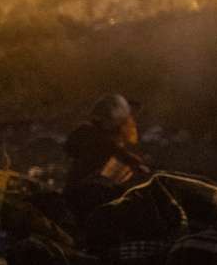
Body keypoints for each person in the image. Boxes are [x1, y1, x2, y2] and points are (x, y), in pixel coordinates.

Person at [62, 93, 152, 226]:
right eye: (127, 119)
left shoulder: (90, 138)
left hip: (77, 205)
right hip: (87, 209)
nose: (131, 124)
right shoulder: (107, 148)